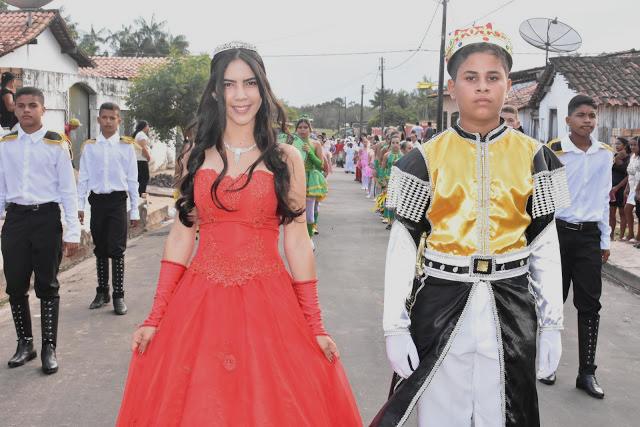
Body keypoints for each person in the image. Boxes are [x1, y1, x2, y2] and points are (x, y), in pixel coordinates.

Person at [116, 41, 361, 426]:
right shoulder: (195, 154)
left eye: (249, 83)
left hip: (269, 303)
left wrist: (315, 324)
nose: (240, 95)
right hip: (199, 304)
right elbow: (181, 236)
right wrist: (155, 316)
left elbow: (296, 242)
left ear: (263, 90)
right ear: (216, 91)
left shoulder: (286, 158)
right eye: (229, 85)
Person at [372, 23, 567, 426]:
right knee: (442, 414)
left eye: (493, 78)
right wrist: (395, 326)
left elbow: (546, 244)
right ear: (453, 86)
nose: (482, 88)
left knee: (504, 412)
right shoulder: (423, 159)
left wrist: (552, 324)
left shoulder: (535, 157)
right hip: (442, 300)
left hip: (511, 302)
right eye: (471, 78)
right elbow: (403, 245)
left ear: (507, 85)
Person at [0, 87, 80, 375]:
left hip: (46, 218)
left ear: (43, 109)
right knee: (15, 285)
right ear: (15, 109)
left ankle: (49, 347)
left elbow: (68, 190)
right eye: (20, 105)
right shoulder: (5, 144)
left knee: (47, 285)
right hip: (16, 220)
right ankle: (25, 344)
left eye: (32, 105)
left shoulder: (57, 144)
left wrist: (73, 231)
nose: (26, 110)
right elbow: (1, 186)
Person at [545, 94, 613, 399]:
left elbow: (603, 198)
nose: (588, 120)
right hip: (557, 234)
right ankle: (546, 364)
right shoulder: (554, 152)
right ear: (568, 120)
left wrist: (605, 238)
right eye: (582, 115)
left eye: (592, 115)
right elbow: (543, 197)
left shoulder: (603, 154)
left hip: (588, 237)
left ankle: (587, 373)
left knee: (589, 305)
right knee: (551, 302)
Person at [77, 102, 140, 316]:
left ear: (119, 120)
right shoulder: (90, 146)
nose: (108, 121)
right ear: (98, 120)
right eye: (104, 117)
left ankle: (118, 296)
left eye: (112, 118)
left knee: (116, 249)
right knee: (100, 247)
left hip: (117, 202)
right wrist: (80, 205)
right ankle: (102, 292)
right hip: (97, 202)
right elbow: (83, 177)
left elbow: (133, 180)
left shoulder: (126, 146)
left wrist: (135, 210)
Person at [295, 118, 328, 237]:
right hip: (295, 180)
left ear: (310, 129)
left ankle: (309, 239)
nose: (302, 130)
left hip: (310, 180)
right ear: (296, 129)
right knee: (295, 212)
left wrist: (310, 153)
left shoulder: (315, 144)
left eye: (305, 127)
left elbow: (321, 164)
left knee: (309, 213)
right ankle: (298, 239)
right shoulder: (292, 143)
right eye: (300, 127)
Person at [609, 137, 630, 240]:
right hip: (612, 189)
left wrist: (617, 187)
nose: (616, 146)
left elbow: (628, 176)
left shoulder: (630, 158)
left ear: (625, 146)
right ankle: (611, 235)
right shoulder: (614, 156)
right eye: (615, 144)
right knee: (611, 213)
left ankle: (621, 236)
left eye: (619, 144)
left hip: (622, 189)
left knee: (622, 213)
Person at [381, 135, 402, 229]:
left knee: (398, 202)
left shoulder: (403, 156)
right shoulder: (387, 155)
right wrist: (384, 184)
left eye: (397, 143)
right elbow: (382, 169)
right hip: (389, 181)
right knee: (390, 202)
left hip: (399, 182)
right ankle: (390, 222)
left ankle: (398, 223)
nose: (395, 145)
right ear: (390, 144)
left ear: (400, 144)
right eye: (393, 143)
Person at [623, 136, 640, 243]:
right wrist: (627, 188)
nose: (632, 147)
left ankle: (638, 236)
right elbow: (630, 175)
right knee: (627, 209)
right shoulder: (632, 156)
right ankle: (630, 234)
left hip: (639, 187)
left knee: (639, 213)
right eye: (631, 145)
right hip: (632, 186)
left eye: (635, 144)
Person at [133, 120, 152, 196]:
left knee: (140, 178)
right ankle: (141, 195)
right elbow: (143, 148)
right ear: (144, 126)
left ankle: (140, 195)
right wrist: (148, 157)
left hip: (139, 160)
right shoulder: (141, 135)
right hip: (141, 160)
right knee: (144, 178)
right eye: (148, 126)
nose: (149, 127)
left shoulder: (139, 134)